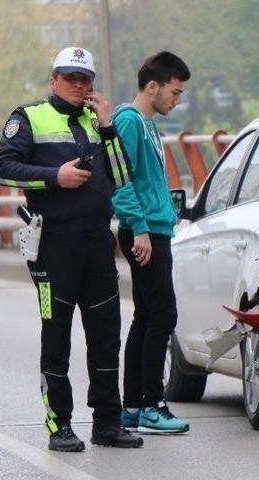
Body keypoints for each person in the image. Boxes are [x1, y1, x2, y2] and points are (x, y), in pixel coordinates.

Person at [0, 46, 143, 451]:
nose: (78, 85)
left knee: (107, 334)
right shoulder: (29, 117)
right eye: (70, 77)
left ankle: (107, 423)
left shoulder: (99, 123)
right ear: (54, 79)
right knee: (56, 335)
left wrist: (109, 126)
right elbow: (2, 170)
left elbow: (124, 175)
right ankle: (59, 423)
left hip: (97, 242)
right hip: (53, 244)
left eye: (85, 79)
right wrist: (54, 177)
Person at [111, 51, 191, 434]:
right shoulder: (129, 121)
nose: (177, 101)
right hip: (145, 232)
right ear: (153, 86)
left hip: (154, 228)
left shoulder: (146, 124)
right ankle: (151, 405)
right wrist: (140, 228)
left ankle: (133, 406)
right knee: (163, 315)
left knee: (146, 317)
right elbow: (120, 179)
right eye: (174, 93)